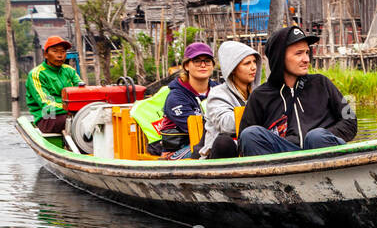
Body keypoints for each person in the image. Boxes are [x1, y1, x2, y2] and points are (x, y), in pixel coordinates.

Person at [239, 25, 357, 156]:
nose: (306, 59)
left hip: (323, 149)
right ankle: (277, 175)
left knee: (315, 137)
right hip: (286, 156)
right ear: (280, 57)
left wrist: (322, 136)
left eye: (307, 52)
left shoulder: (321, 83)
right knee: (250, 134)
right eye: (298, 53)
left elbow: (350, 121)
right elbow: (244, 143)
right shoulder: (260, 96)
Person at [140, 42, 214, 159]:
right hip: (180, 148)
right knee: (213, 149)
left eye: (207, 61)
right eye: (197, 61)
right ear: (186, 66)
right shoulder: (176, 97)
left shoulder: (218, 90)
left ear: (212, 65)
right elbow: (197, 129)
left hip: (209, 141)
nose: (203, 65)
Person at [201, 40, 260, 159]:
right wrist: (257, 111)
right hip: (222, 153)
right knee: (224, 143)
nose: (253, 67)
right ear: (232, 68)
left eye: (254, 62)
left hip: (252, 146)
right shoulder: (218, 93)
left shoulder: (259, 92)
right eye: (247, 63)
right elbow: (225, 124)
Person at [26, 36, 84, 134]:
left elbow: (82, 92)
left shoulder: (69, 70)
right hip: (47, 118)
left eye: (63, 52)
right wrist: (74, 108)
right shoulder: (37, 74)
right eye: (55, 51)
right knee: (81, 120)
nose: (60, 55)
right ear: (46, 54)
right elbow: (47, 105)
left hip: (71, 112)